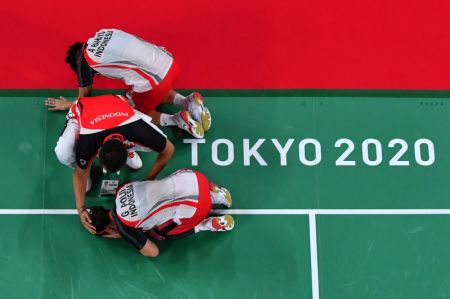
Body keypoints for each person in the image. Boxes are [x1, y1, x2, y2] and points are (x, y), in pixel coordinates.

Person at [45, 28, 210, 139]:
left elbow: (84, 101)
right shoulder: (104, 31)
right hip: (171, 63)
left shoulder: (84, 62)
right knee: (141, 84)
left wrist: (67, 104)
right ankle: (187, 101)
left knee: (131, 111)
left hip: (156, 83)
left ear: (78, 59)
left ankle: (177, 119)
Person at [55, 94, 174, 234]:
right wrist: (81, 210)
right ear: (97, 155)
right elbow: (78, 176)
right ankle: (88, 167)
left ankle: (131, 148)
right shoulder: (88, 142)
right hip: (83, 112)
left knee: (155, 143)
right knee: (63, 153)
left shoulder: (138, 129)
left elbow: (169, 150)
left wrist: (148, 180)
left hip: (121, 109)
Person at [87, 169, 234, 257]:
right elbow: (109, 186)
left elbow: (153, 252)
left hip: (198, 206)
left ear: (108, 229)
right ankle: (216, 195)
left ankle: (207, 225)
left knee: (160, 234)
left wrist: (122, 234)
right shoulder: (121, 190)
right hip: (193, 175)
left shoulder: (125, 228)